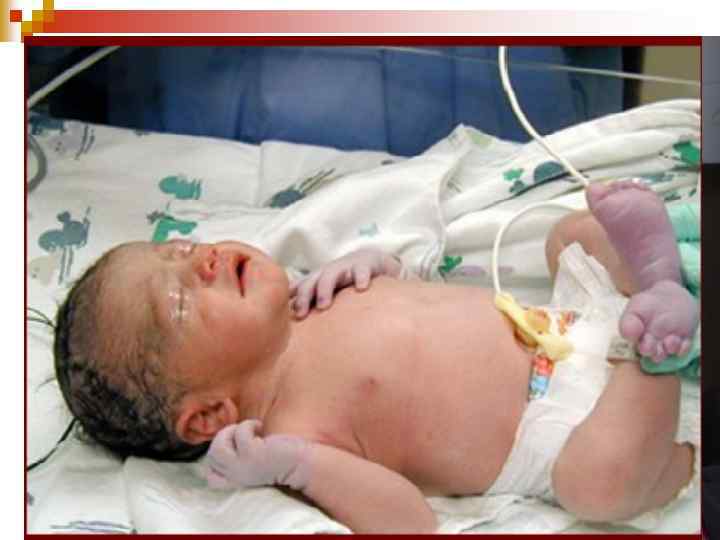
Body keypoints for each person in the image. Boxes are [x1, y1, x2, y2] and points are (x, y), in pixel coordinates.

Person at [53, 180, 699, 533]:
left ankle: (652, 279)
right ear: (207, 416)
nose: (205, 259)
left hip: (567, 323)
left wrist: (378, 266)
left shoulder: (312, 297)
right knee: (598, 486)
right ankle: (653, 345)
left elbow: (422, 299)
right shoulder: (295, 438)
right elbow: (409, 523)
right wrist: (301, 466)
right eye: (179, 300)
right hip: (569, 429)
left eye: (181, 250)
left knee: (568, 239)